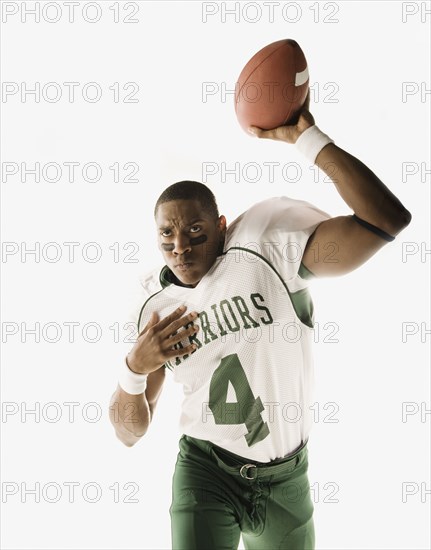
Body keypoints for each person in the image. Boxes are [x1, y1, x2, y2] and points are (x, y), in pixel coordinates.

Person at [109, 100, 411, 550]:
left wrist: (307, 139)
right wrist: (133, 368)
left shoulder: (264, 248)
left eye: (196, 231)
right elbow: (129, 434)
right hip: (205, 470)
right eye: (167, 236)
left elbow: (386, 219)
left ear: (222, 226)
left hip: (287, 477)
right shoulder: (154, 305)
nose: (180, 247)